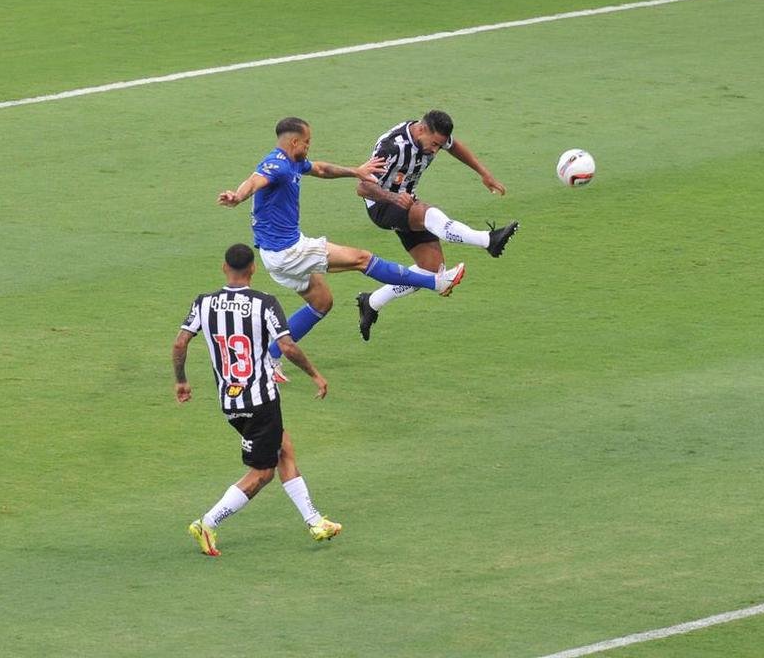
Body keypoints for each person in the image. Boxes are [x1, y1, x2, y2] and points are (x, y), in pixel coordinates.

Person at [217, 116, 465, 373]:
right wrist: (237, 196)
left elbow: (321, 169)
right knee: (362, 259)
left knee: (321, 303)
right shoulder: (276, 166)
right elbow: (254, 181)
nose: (309, 146)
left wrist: (355, 171)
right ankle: (436, 282)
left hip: (274, 255)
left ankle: (270, 358)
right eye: (307, 142)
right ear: (294, 142)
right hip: (289, 251)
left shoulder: (293, 161)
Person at [173, 243, 341, 557]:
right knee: (263, 472)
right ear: (253, 268)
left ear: (224, 267)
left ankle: (315, 521)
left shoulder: (204, 303)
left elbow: (180, 342)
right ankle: (207, 523)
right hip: (261, 399)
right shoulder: (264, 303)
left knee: (284, 448)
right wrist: (315, 374)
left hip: (230, 401)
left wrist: (181, 380)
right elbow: (287, 346)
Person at [354, 109, 518, 340]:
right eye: (434, 144)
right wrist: (394, 197)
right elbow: (362, 187)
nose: (436, 150)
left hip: (406, 201)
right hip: (382, 205)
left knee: (431, 270)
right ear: (422, 129)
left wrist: (484, 173)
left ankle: (372, 302)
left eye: (440, 146)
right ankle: (487, 240)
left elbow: (455, 146)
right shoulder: (392, 147)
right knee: (427, 213)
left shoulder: (432, 137)